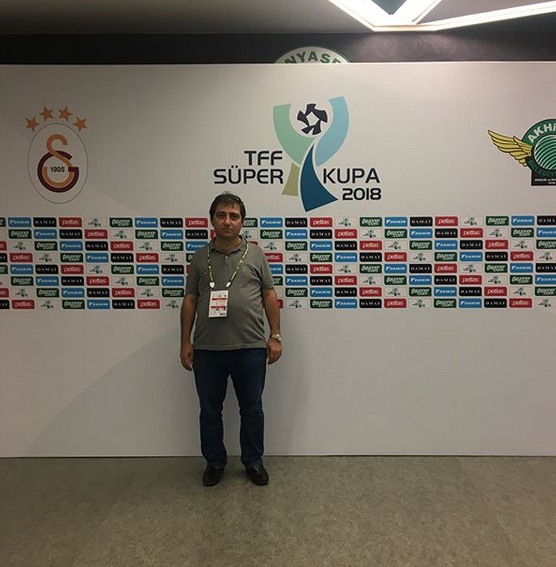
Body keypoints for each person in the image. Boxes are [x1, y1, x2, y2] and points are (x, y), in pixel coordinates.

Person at [180, 192, 282, 486]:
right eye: (222, 215)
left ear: (242, 221)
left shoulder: (256, 254)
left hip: (250, 348)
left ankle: (253, 461)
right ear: (212, 220)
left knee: (252, 409)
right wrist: (185, 342)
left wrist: (275, 335)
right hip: (207, 349)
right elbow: (190, 300)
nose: (227, 221)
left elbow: (269, 295)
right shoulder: (200, 257)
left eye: (234, 216)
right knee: (210, 411)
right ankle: (215, 461)